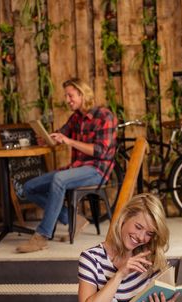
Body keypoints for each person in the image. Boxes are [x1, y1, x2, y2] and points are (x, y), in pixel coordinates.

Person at [16, 78, 118, 253]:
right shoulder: (76, 118)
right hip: (78, 168)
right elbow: (61, 134)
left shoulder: (105, 116)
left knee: (59, 179)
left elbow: (101, 151)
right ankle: (73, 220)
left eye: (70, 95)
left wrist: (68, 141)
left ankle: (42, 236)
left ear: (82, 94)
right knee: (28, 188)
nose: (67, 99)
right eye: (66, 96)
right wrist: (49, 139)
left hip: (97, 170)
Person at [78, 193, 179, 302]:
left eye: (149, 233)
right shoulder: (91, 258)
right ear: (124, 217)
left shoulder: (151, 257)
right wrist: (120, 274)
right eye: (138, 227)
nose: (141, 237)